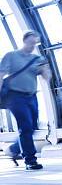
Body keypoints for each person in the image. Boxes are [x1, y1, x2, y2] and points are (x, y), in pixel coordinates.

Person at [0, 31, 50, 170]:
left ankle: (13, 149)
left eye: (35, 44)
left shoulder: (37, 58)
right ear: (24, 40)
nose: (32, 46)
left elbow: (46, 78)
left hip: (31, 96)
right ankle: (30, 160)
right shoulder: (11, 56)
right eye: (30, 43)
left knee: (32, 127)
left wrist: (45, 68)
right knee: (26, 126)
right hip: (15, 96)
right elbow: (1, 74)